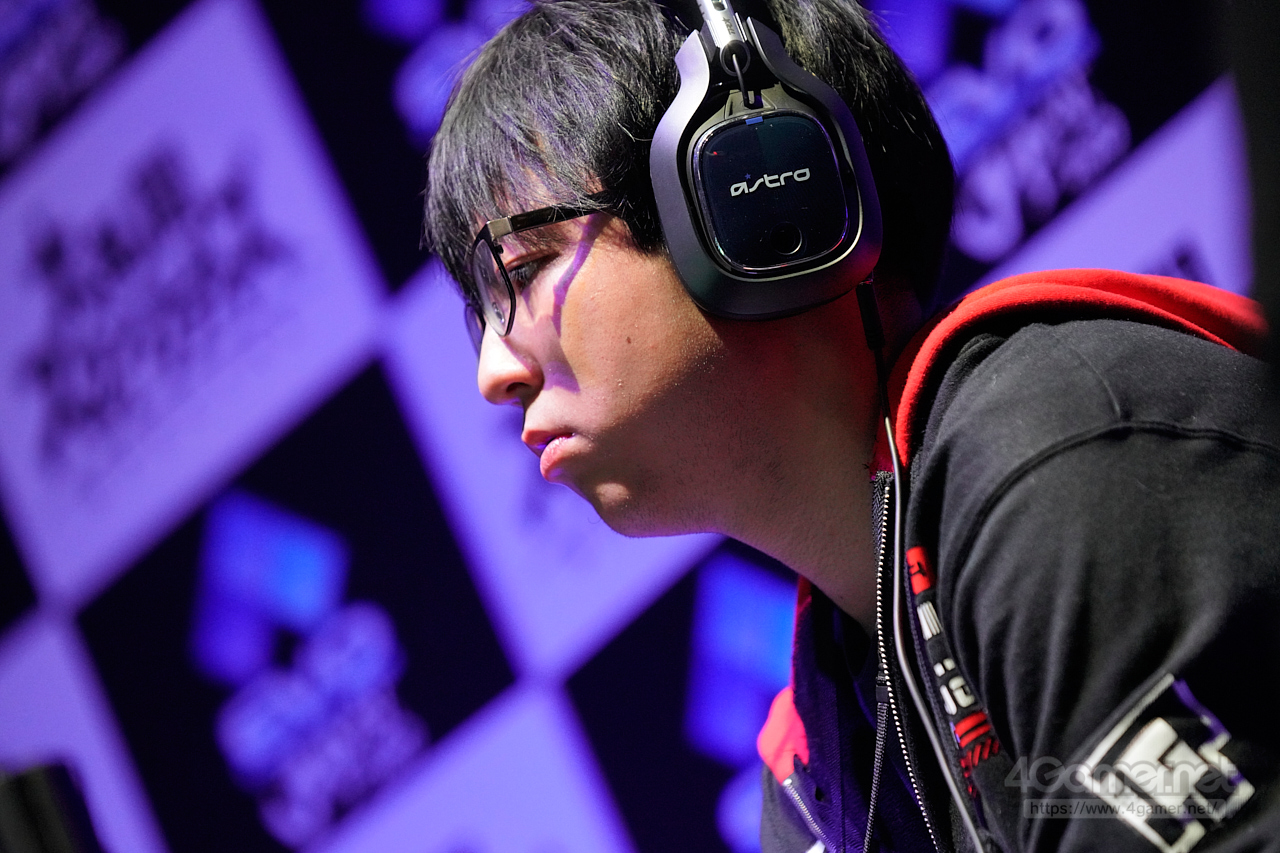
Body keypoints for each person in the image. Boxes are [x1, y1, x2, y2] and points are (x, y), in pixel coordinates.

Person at [421, 1, 1280, 851]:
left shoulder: (1062, 463)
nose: (494, 374)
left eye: (524, 271)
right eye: (480, 313)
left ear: (749, 202)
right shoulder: (811, 767)